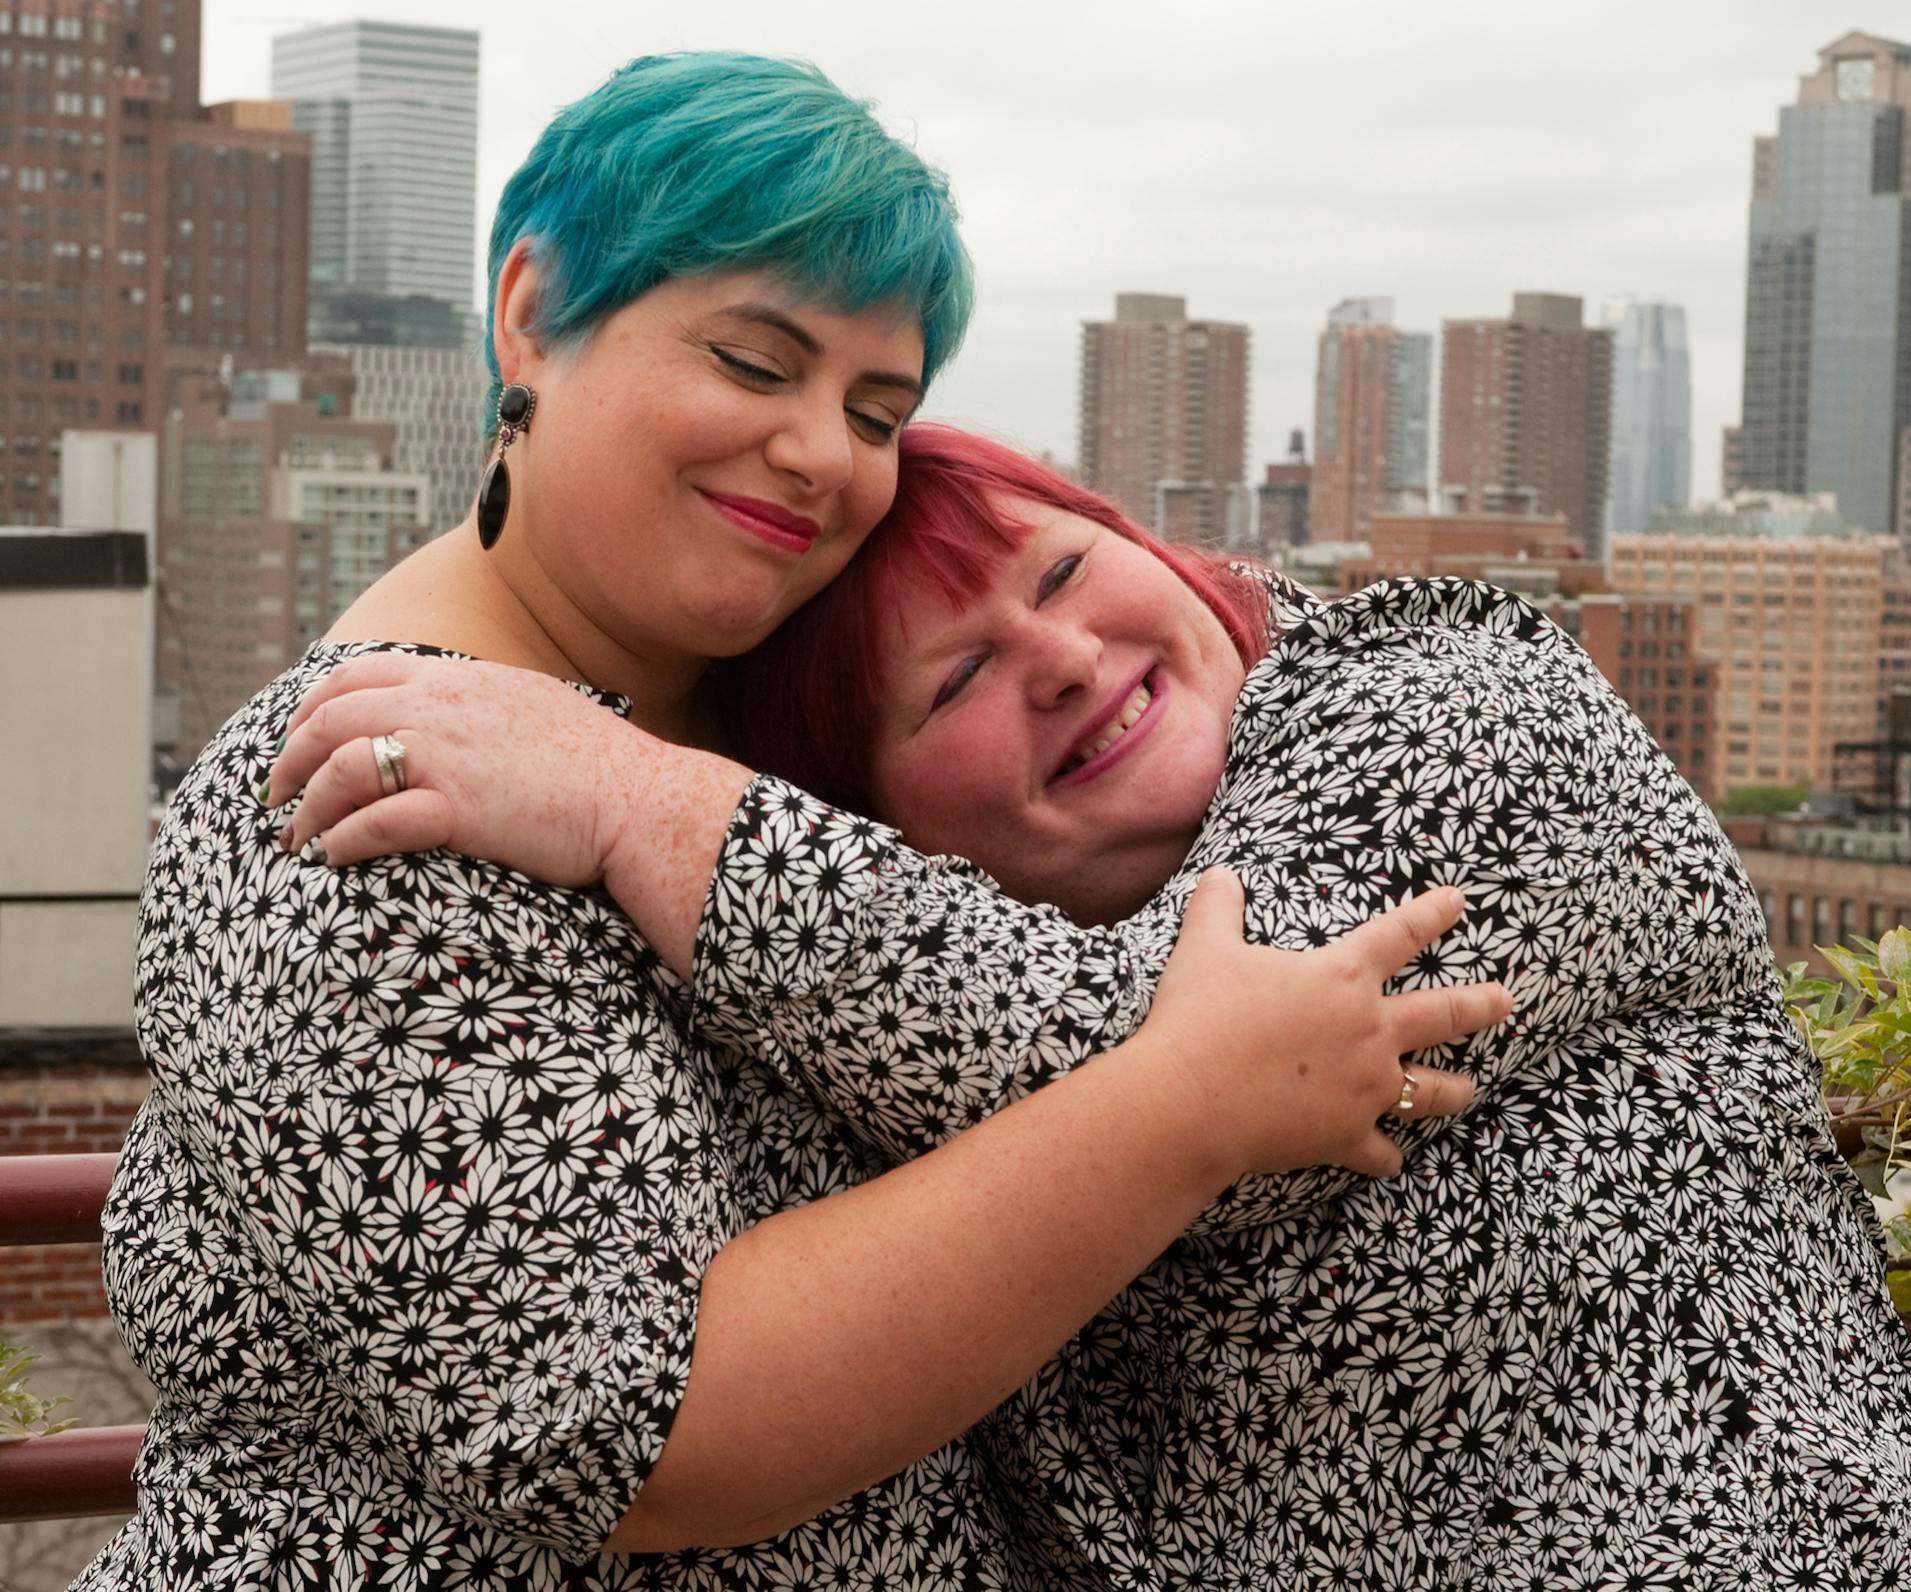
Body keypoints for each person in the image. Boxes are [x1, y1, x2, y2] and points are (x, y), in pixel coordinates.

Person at [87, 60, 1506, 1592]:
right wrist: (1185, 1104)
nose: (826, 454)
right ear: (529, 317)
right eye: (757, 365)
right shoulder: (371, 788)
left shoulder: (741, 735)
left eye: (875, 407)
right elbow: (638, 1428)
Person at [277, 424, 1911, 1589]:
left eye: (1055, 572)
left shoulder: (1450, 699)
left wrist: (638, 804)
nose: (1064, 658)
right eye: (955, 680)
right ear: (869, 819)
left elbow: (1208, 1072)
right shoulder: (870, 1001)